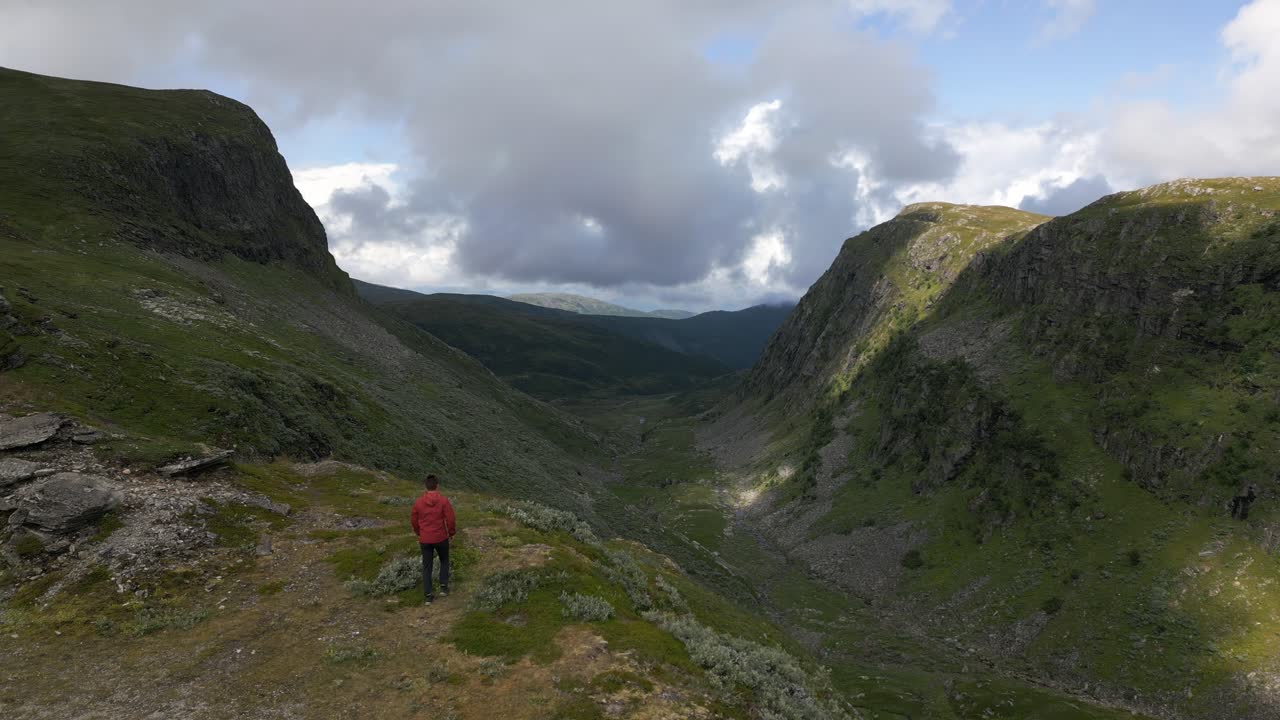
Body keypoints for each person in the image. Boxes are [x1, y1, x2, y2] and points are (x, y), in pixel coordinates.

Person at [410, 474, 456, 604]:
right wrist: (451, 533)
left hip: (425, 539)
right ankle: (444, 588)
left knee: (427, 566)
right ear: (437, 486)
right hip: (441, 537)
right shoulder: (443, 501)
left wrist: (419, 532)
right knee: (444, 560)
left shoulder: (418, 502)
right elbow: (451, 519)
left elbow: (413, 520)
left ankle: (428, 596)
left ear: (425, 486)